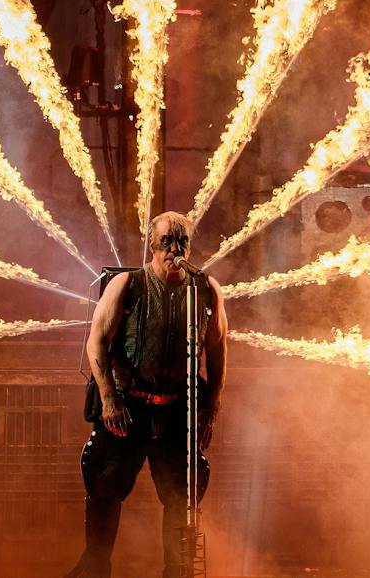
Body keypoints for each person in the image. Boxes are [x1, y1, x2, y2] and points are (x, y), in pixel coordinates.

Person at [67, 212, 227, 578]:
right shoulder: (127, 284)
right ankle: (95, 566)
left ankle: (177, 572)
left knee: (181, 499)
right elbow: (96, 343)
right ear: (152, 244)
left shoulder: (205, 289)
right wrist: (109, 398)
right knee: (105, 489)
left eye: (182, 240)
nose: (176, 248)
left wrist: (211, 408)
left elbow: (217, 351)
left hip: (177, 411)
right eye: (168, 240)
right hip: (128, 406)